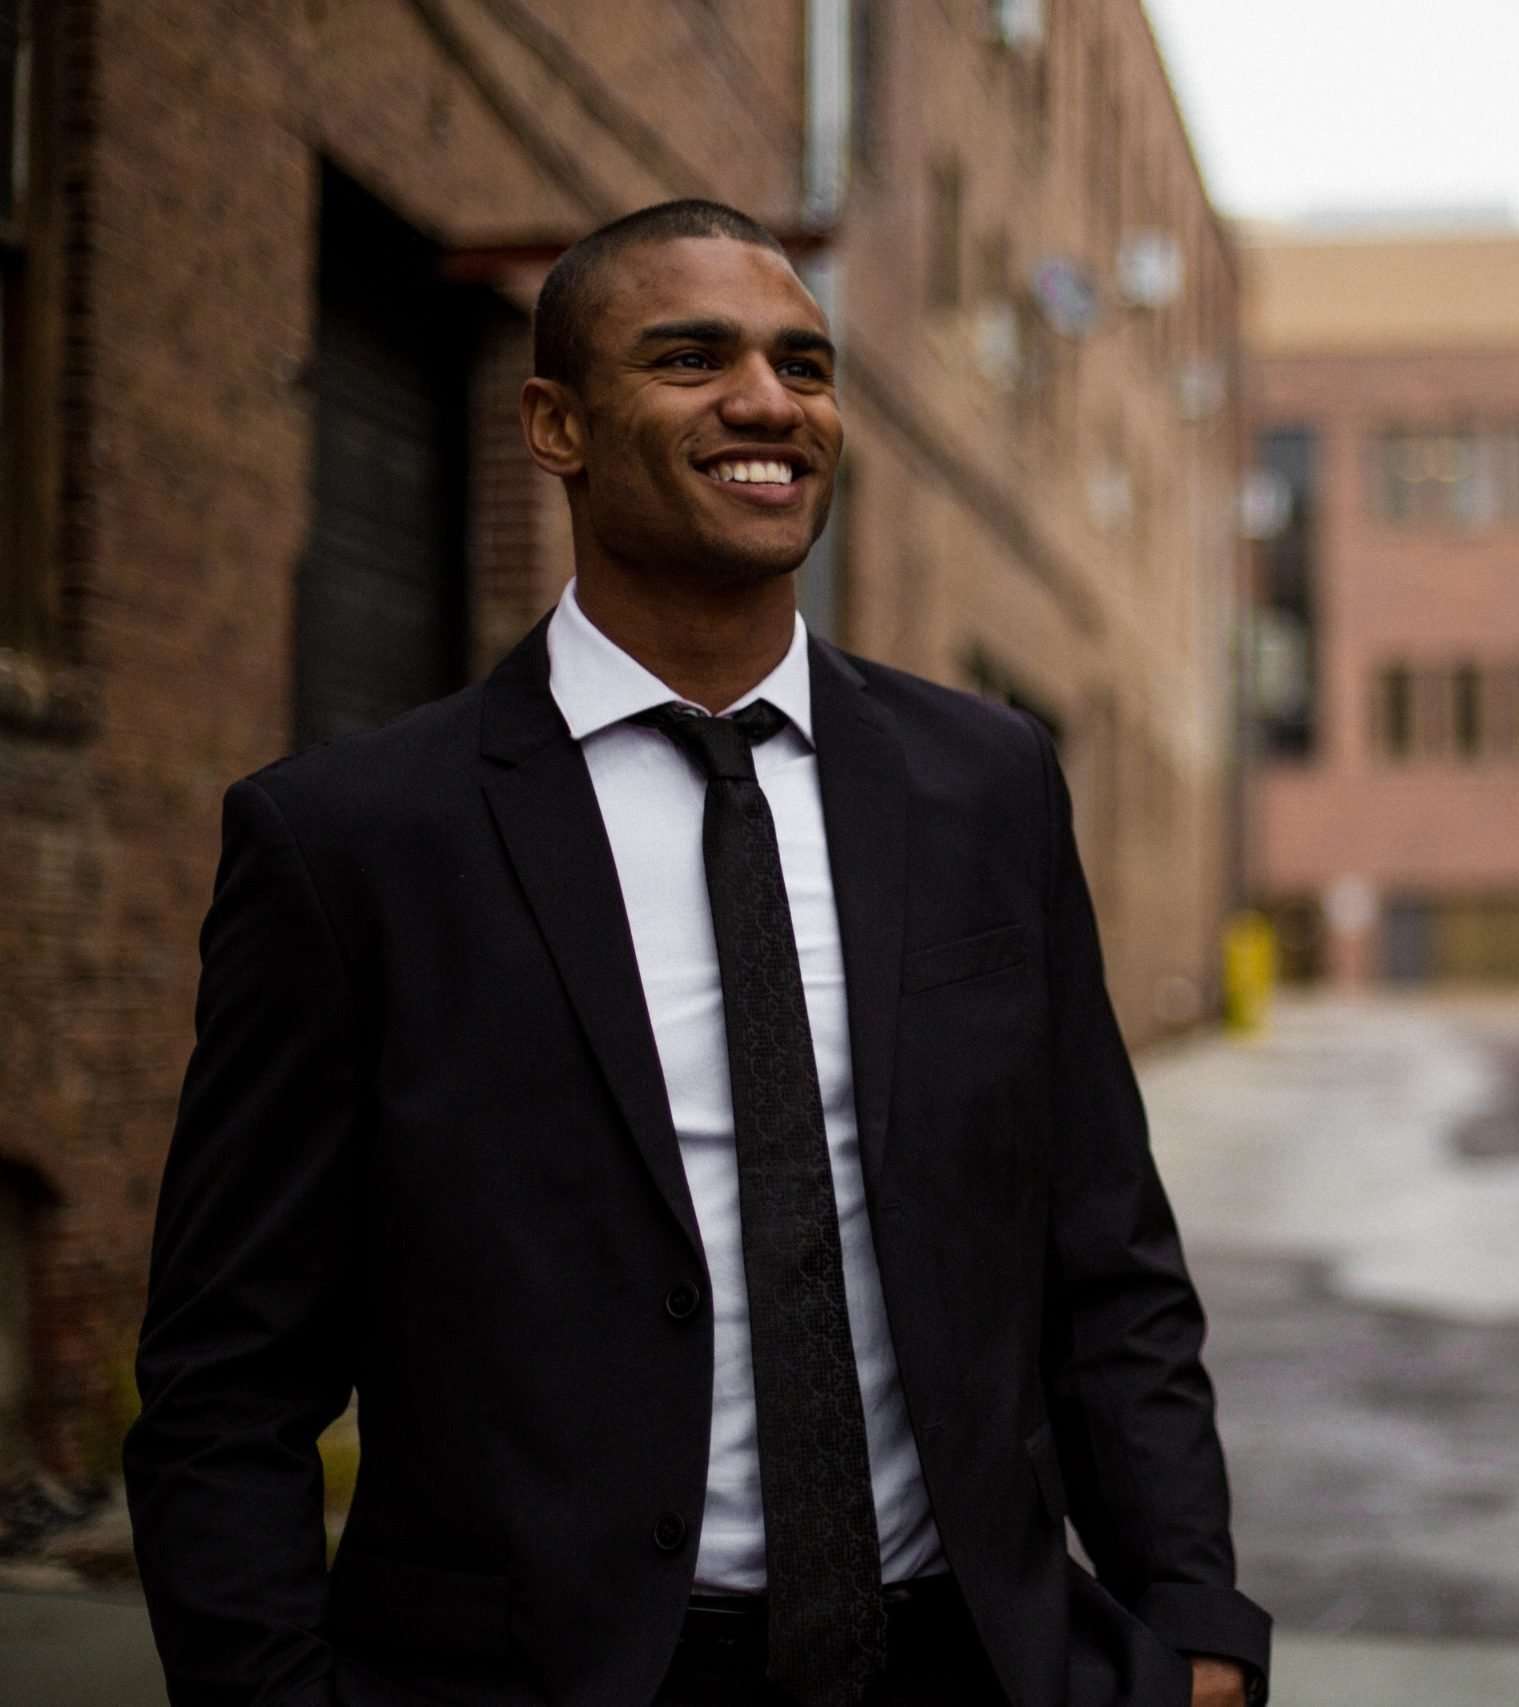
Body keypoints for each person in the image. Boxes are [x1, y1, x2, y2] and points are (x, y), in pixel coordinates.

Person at [124, 200, 1269, 1707]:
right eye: (690, 357)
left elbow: (1107, 1257)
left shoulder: (984, 785)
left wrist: (1193, 1625)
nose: (767, 402)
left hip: (967, 1660)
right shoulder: (350, 843)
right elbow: (228, 1377)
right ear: (557, 424)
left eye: (806, 363)